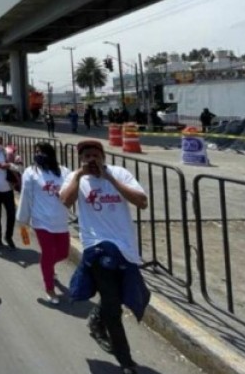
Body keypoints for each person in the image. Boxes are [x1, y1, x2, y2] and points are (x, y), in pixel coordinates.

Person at [59, 139, 149, 374]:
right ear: (81, 159)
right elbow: (66, 202)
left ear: (103, 156)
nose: (91, 159)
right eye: (86, 156)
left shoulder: (119, 173)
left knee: (137, 295)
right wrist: (79, 176)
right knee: (112, 305)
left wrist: (110, 179)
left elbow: (142, 202)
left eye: (95, 155)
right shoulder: (76, 179)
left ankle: (97, 319)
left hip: (125, 249)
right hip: (97, 248)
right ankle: (126, 360)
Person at [16, 141, 71, 303]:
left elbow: (72, 190)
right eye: (36, 151)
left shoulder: (64, 171)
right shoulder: (31, 172)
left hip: (60, 219)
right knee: (48, 253)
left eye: (42, 152)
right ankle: (49, 288)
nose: (38, 155)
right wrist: (22, 220)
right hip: (41, 220)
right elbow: (26, 196)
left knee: (62, 253)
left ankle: (47, 266)